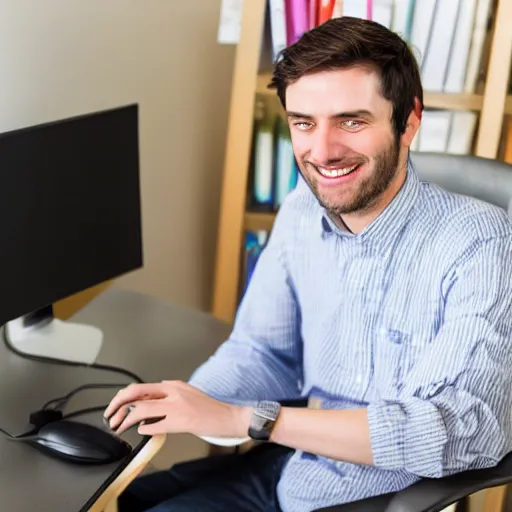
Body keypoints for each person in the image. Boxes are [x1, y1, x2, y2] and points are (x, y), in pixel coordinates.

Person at [104, 15, 512, 512]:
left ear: (408, 121)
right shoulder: (302, 207)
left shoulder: (482, 241)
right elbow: (264, 351)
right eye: (304, 123)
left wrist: (249, 421)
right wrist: (188, 405)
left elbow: (460, 431)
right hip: (293, 462)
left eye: (351, 121)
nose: (322, 151)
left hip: (368, 496)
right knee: (107, 498)